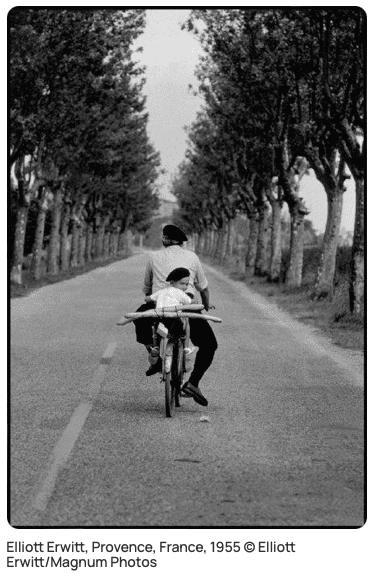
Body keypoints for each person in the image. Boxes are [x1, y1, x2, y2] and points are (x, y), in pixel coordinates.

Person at [134, 224, 218, 407]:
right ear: (182, 242)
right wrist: (205, 304)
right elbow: (203, 287)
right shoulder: (192, 257)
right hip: (185, 308)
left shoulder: (153, 257)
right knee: (209, 345)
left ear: (164, 239)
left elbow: (147, 288)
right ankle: (193, 383)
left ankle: (153, 351)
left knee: (139, 319)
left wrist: (153, 295)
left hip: (159, 307)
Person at [144, 267, 195, 368]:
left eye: (186, 284)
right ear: (172, 282)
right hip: (173, 318)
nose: (184, 287)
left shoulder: (162, 291)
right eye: (182, 284)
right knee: (181, 333)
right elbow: (190, 302)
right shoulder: (180, 293)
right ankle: (184, 350)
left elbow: (148, 298)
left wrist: (150, 299)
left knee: (158, 332)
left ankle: (156, 347)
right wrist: (195, 301)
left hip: (159, 317)